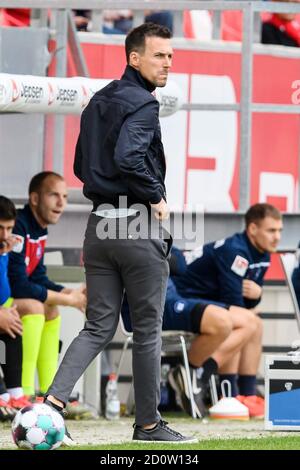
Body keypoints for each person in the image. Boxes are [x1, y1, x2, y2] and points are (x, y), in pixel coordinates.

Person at [45, 23, 195, 444]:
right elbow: (130, 157)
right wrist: (155, 196)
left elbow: (79, 167)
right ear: (134, 58)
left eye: (170, 56)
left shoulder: (98, 101)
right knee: (148, 331)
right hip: (134, 223)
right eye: (159, 55)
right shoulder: (143, 104)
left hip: (98, 227)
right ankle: (148, 425)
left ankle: (51, 403)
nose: (167, 63)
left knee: (97, 326)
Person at [173, 203, 283, 418]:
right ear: (252, 229)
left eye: (279, 231)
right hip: (181, 299)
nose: (277, 237)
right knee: (245, 321)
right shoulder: (235, 251)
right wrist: (252, 300)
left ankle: (246, 395)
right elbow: (234, 300)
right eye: (271, 230)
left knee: (252, 321)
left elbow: (244, 300)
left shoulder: (263, 253)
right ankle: (221, 388)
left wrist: (257, 294)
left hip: (207, 301)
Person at [8, 172, 86, 401]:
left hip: (13, 298)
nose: (61, 203)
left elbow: (38, 276)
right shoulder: (19, 226)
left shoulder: (39, 228)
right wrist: (70, 300)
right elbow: (19, 284)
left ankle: (50, 393)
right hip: (5, 300)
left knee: (51, 308)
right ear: (34, 199)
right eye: (54, 195)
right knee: (35, 306)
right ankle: (23, 393)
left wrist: (67, 293)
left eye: (65, 196)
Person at [0, 195, 31, 419]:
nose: (4, 235)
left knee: (12, 324)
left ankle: (15, 395)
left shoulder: (3, 248)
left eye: (8, 228)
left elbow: (4, 293)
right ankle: (2, 397)